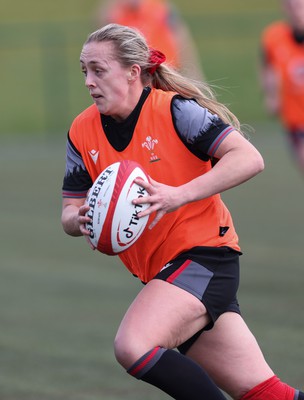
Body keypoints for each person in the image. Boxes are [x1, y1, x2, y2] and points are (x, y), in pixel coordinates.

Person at [61, 23, 304, 400]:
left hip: (206, 257)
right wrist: (79, 220)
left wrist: (180, 194)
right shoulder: (81, 131)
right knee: (264, 392)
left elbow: (249, 158)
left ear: (133, 72)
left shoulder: (175, 110)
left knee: (132, 344)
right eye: (84, 71)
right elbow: (68, 212)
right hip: (164, 273)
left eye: (99, 70)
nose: (89, 81)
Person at [94, 0, 204, 80]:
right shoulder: (117, 13)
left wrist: (193, 71)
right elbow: (103, 29)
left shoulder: (159, 8)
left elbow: (181, 38)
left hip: (165, 70)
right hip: (137, 73)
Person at [260, 0, 304, 177]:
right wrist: (271, 95)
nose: (295, 10)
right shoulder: (274, 36)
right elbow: (267, 65)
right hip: (296, 118)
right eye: (291, 5)